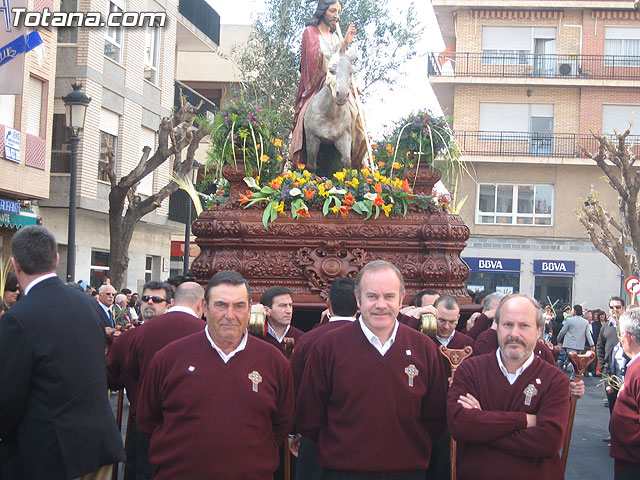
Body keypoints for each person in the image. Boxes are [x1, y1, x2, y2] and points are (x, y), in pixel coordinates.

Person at [296, 260, 447, 478]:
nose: (381, 304)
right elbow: (309, 416)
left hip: (407, 472)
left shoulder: (424, 348)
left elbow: (436, 417)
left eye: (389, 296)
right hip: (342, 472)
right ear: (358, 299)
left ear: (401, 299)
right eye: (372, 296)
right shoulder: (327, 347)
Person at [137, 271, 294, 479]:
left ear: (249, 309)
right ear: (204, 307)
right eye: (221, 305)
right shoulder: (168, 358)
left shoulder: (274, 362)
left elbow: (281, 424)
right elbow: (148, 420)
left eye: (239, 306)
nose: (230, 315)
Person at [0, 226, 124, 479]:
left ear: (15, 264)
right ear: (56, 259)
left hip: (53, 455)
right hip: (98, 444)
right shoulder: (88, 305)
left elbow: (8, 396)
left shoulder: (18, 319)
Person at [447, 294, 570, 479]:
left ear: (538, 330)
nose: (514, 334)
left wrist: (482, 424)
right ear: (496, 327)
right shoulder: (470, 370)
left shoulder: (555, 380)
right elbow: (459, 425)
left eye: (524, 326)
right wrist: (522, 420)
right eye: (507, 325)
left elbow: (549, 441)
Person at [120, 282, 205, 480]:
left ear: (173, 301)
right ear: (202, 304)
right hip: (192, 423)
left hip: (150, 422)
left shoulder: (144, 331)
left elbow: (131, 370)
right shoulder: (205, 331)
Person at [289, 277, 358, 480]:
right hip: (360, 438)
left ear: (328, 303)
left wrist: (294, 431)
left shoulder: (308, 339)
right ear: (359, 302)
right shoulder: (372, 339)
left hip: (316, 436)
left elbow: (296, 387)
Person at [290, 0, 365, 167]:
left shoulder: (334, 37)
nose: (336, 16)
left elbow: (341, 61)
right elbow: (315, 57)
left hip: (337, 80)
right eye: (332, 11)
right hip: (318, 83)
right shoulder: (310, 32)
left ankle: (357, 157)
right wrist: (338, 49)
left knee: (357, 113)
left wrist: (344, 43)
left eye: (338, 12)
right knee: (305, 114)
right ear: (323, 11)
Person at [610, 309, 640, 478]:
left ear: (628, 337)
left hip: (634, 463)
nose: (620, 339)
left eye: (620, 334)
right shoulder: (635, 365)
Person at [599, 296, 626, 436]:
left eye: (617, 307)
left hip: (627, 374)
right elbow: (600, 348)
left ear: (623, 309)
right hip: (611, 374)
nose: (614, 310)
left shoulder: (629, 327)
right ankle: (614, 434)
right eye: (611, 307)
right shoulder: (606, 327)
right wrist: (604, 369)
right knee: (613, 404)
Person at [260, 285, 304, 354]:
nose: (289, 311)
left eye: (290, 305)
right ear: (267, 310)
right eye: (283, 306)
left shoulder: (302, 339)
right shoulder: (257, 336)